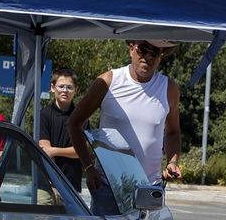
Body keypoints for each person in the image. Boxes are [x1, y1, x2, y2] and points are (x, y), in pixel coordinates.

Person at [69, 40, 183, 196]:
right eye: (143, 49)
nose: (148, 57)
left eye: (155, 52)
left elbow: (173, 132)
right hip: (109, 187)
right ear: (131, 49)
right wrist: (88, 168)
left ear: (161, 56)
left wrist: (172, 162)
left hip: (150, 188)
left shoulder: (168, 88)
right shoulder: (108, 81)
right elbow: (74, 123)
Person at [38, 67, 83, 192]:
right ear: (53, 88)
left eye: (69, 87)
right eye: (61, 86)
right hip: (45, 183)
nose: (65, 90)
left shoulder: (81, 117)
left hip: (71, 184)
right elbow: (45, 149)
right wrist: (53, 185)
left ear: (76, 90)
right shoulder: (43, 114)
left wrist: (54, 151)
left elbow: (80, 151)